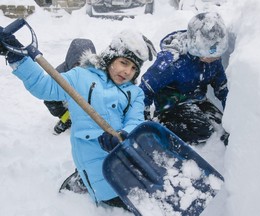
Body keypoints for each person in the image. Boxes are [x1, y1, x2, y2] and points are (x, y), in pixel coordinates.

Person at [0, 29, 156, 210]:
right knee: (115, 196)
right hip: (93, 160)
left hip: (124, 154)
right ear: (110, 57)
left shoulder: (134, 93)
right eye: (124, 62)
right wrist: (17, 56)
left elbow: (135, 120)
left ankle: (83, 179)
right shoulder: (80, 76)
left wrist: (123, 135)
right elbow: (44, 87)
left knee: (145, 188)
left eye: (134, 68)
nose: (128, 71)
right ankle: (86, 180)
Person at [139, 12, 229, 146]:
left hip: (197, 98)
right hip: (171, 103)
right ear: (195, 44)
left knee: (223, 126)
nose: (214, 56)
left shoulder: (212, 60)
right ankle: (162, 125)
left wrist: (230, 110)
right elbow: (147, 86)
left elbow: (221, 86)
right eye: (209, 51)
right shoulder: (173, 61)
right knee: (204, 131)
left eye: (217, 51)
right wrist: (144, 119)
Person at [44, 38, 96, 135]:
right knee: (69, 113)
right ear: (70, 60)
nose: (80, 70)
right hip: (68, 101)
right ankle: (66, 120)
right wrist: (62, 114)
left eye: (85, 65)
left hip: (88, 100)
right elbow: (49, 100)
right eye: (77, 65)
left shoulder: (96, 73)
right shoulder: (59, 75)